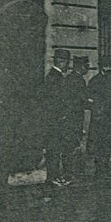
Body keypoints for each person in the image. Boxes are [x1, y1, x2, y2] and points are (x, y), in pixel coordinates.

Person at [87, 55, 111, 178]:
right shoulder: (95, 81)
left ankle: (106, 170)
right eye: (108, 66)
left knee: (108, 146)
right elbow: (93, 101)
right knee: (100, 147)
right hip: (101, 120)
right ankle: (100, 171)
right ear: (102, 67)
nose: (110, 69)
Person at [42, 48, 72, 185]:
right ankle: (52, 177)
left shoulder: (53, 76)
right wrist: (62, 116)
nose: (67, 66)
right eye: (66, 62)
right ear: (61, 62)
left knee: (54, 149)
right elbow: (55, 101)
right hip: (55, 121)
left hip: (54, 120)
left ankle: (54, 176)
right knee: (53, 149)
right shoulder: (56, 77)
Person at [62, 54, 91, 180]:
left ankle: (71, 172)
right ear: (80, 67)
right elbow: (79, 100)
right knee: (70, 146)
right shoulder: (76, 80)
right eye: (86, 66)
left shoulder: (72, 78)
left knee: (72, 145)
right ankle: (69, 173)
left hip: (74, 117)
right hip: (72, 118)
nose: (88, 69)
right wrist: (89, 102)